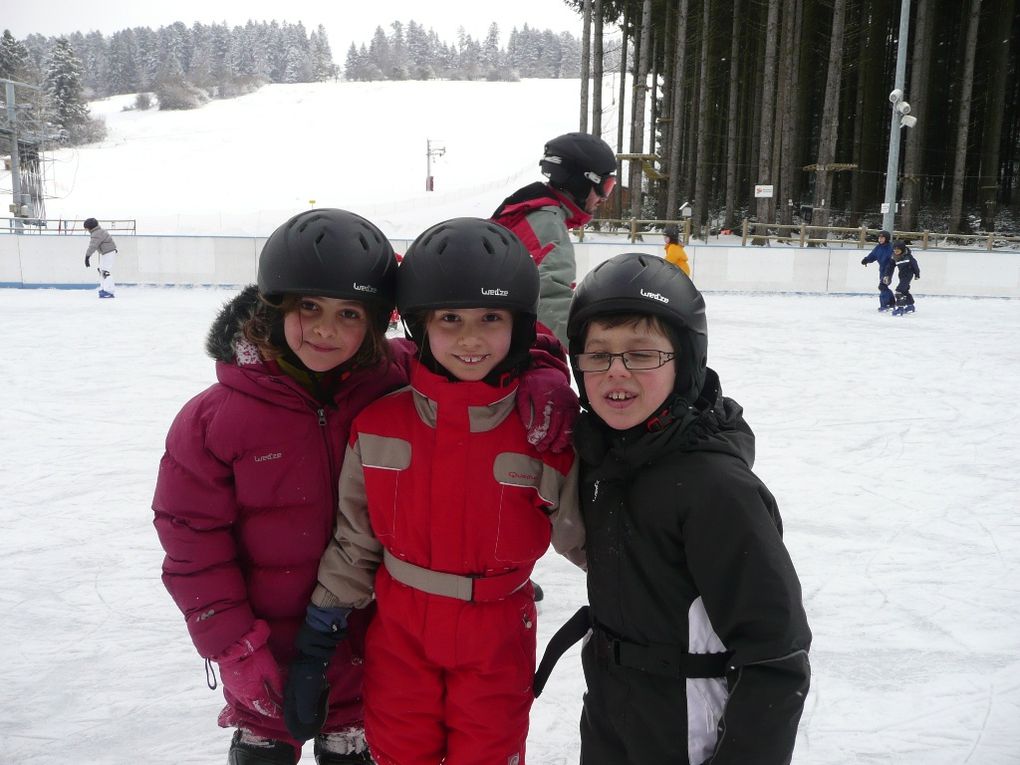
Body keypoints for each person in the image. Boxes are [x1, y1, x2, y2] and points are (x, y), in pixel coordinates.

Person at [152, 209, 576, 765]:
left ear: (379, 323)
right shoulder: (215, 419)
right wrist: (233, 647)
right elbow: (191, 543)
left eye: (349, 313)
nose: (326, 330)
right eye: (308, 307)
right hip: (267, 649)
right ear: (275, 305)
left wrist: (542, 367)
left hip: (372, 648)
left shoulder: (395, 379)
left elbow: (480, 351)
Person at [283, 218, 586, 765]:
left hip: (497, 636)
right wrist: (318, 636)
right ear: (420, 326)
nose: (470, 339)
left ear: (518, 326)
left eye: (490, 318)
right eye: (450, 319)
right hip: (400, 634)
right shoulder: (378, 425)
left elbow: (585, 536)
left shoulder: (543, 433)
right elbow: (355, 542)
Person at [563, 252, 812, 764]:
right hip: (613, 719)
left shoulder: (717, 489)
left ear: (685, 363)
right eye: (598, 354)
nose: (616, 372)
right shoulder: (603, 457)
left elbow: (776, 653)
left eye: (642, 354)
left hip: (688, 734)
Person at [491, 131, 617, 347]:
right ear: (581, 181)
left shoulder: (528, 211)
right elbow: (548, 300)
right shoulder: (547, 223)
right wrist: (598, 348)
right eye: (604, 187)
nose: (603, 198)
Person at [83, 217, 117, 298]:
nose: (86, 230)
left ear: (90, 227)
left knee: (105, 271)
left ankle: (109, 291)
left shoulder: (96, 233)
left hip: (108, 252)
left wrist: (87, 257)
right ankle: (104, 288)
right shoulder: (98, 231)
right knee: (101, 270)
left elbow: (93, 246)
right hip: (107, 252)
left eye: (86, 228)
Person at [860, 229, 894, 311]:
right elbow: (873, 255)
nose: (880, 239)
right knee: (884, 286)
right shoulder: (878, 247)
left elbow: (897, 254)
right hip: (882, 268)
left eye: (882, 238)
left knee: (882, 286)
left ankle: (885, 305)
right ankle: (892, 302)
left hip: (889, 269)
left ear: (887, 239)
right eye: (879, 238)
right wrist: (866, 260)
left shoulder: (891, 247)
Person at [886, 239, 921, 315]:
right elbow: (890, 267)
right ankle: (910, 306)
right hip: (901, 275)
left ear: (902, 249)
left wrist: (917, 274)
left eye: (898, 250)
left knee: (899, 291)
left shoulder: (908, 257)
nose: (896, 251)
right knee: (905, 291)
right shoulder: (894, 257)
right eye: (894, 250)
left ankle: (900, 308)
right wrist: (887, 275)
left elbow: (915, 265)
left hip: (908, 275)